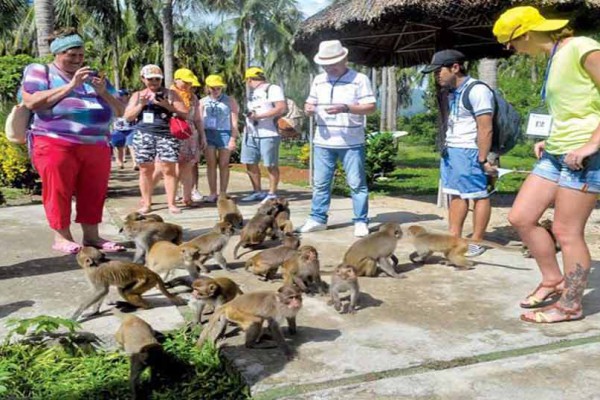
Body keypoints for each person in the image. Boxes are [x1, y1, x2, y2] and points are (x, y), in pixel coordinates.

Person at [493, 6, 600, 323]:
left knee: (567, 232)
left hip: (585, 155)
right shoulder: (555, 58)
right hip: (556, 151)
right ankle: (553, 279)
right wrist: (549, 137)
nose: (512, 51)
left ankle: (570, 305)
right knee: (521, 217)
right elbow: (574, 106)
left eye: (510, 44)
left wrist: (593, 143)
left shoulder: (582, 48)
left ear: (524, 34)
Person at [20, 27, 125, 254]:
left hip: (96, 143)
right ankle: (61, 237)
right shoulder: (40, 71)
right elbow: (33, 102)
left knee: (93, 190)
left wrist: (103, 92)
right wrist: (71, 86)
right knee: (59, 189)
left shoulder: (94, 75)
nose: (77, 60)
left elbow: (121, 110)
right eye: (71, 55)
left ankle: (92, 237)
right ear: (57, 53)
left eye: (80, 55)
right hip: (55, 141)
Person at [296, 40, 376, 237]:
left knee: (356, 184)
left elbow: (371, 107)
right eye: (325, 64)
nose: (329, 68)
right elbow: (310, 102)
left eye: (333, 63)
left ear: (344, 59)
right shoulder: (318, 80)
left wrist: (346, 107)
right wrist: (308, 109)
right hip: (322, 141)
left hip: (351, 141)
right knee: (321, 183)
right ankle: (317, 219)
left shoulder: (360, 79)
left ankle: (360, 221)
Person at [421, 49, 496, 256]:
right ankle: (454, 236)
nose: (437, 76)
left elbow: (485, 127)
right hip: (451, 149)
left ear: (455, 67)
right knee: (455, 193)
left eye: (439, 71)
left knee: (478, 195)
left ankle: (477, 240)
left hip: (470, 150)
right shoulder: (452, 91)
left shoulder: (477, 90)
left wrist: (483, 158)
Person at [124, 64, 188, 215]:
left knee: (168, 168)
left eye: (157, 79)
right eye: (150, 79)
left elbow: (185, 114)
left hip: (167, 134)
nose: (154, 82)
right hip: (144, 133)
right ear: (143, 79)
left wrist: (167, 105)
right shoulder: (138, 95)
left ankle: (171, 203)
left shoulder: (171, 94)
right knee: (145, 169)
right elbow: (127, 117)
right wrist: (141, 104)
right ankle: (146, 203)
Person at [240, 67, 287, 203]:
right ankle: (257, 191)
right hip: (250, 132)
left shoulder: (273, 89)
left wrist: (259, 116)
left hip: (269, 133)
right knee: (250, 162)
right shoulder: (252, 93)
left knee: (270, 164)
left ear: (249, 79)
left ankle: (272, 193)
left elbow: (280, 107)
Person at [199, 74, 240, 202]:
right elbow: (199, 121)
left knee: (224, 164)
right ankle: (212, 192)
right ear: (208, 88)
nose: (216, 90)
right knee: (211, 163)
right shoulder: (202, 102)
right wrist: (202, 137)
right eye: (213, 88)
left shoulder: (229, 100)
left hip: (224, 133)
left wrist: (233, 138)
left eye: (219, 88)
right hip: (209, 133)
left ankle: (223, 192)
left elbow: (234, 121)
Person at [170, 68, 206, 206]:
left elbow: (197, 119)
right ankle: (172, 196)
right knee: (170, 167)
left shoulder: (193, 97)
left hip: (190, 133)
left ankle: (187, 196)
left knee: (189, 165)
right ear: (176, 80)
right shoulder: (169, 95)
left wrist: (202, 136)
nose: (188, 85)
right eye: (185, 82)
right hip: (173, 132)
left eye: (190, 83)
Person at [110, 89, 135, 169]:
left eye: (122, 95)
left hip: (130, 128)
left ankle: (135, 163)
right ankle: (120, 162)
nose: (120, 97)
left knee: (131, 145)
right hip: (118, 129)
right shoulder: (114, 105)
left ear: (127, 96)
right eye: (118, 95)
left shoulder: (132, 105)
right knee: (118, 146)